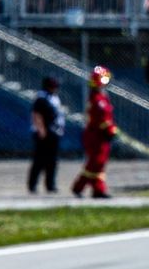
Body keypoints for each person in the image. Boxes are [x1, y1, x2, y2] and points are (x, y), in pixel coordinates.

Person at [72, 66, 115, 198]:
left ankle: (98, 190)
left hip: (99, 135)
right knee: (95, 163)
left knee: (99, 164)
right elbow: (101, 118)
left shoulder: (101, 97)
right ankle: (79, 187)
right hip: (96, 136)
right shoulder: (98, 100)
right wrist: (110, 130)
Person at [29, 75, 64, 194]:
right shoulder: (41, 98)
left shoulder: (54, 97)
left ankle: (50, 184)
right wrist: (41, 130)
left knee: (52, 161)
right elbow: (36, 115)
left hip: (54, 132)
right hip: (44, 133)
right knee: (39, 160)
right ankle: (32, 185)